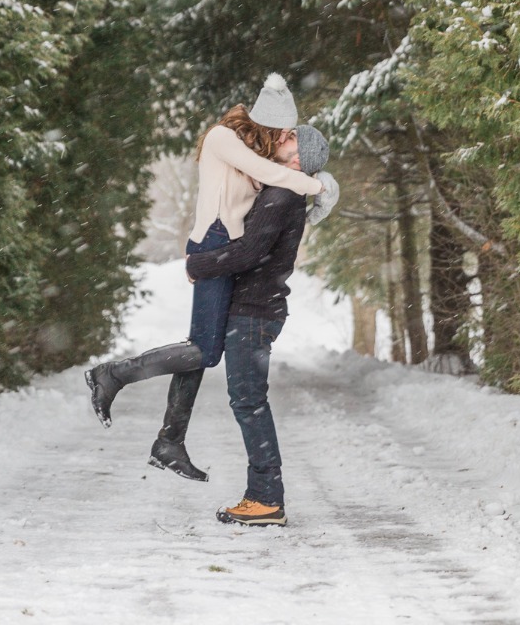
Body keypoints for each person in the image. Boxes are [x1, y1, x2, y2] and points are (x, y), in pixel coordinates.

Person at [84, 75, 338, 483]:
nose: (289, 138)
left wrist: (316, 181)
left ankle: (169, 441)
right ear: (268, 124)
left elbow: (278, 199)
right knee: (204, 351)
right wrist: (319, 185)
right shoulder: (223, 139)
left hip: (227, 247)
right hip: (215, 244)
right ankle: (113, 376)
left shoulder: (263, 159)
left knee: (202, 349)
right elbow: (278, 177)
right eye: (286, 131)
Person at [184, 125, 332, 528]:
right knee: (247, 401)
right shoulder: (278, 189)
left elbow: (248, 252)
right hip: (254, 309)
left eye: (293, 141)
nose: (284, 140)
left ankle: (266, 500)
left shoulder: (282, 195)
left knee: (249, 402)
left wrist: (197, 265)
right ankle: (264, 496)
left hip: (255, 312)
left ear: (300, 160)